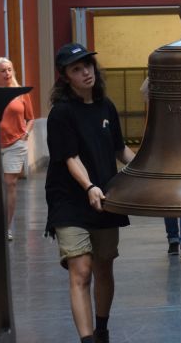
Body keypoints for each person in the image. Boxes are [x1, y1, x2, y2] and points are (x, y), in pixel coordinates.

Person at [45, 43, 135, 343]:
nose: (86, 72)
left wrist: (151, 172)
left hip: (105, 199)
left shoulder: (106, 106)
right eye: (77, 69)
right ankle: (87, 340)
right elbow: (71, 157)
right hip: (70, 200)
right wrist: (90, 186)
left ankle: (102, 329)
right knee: (81, 270)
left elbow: (120, 149)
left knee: (104, 266)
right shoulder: (62, 113)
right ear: (66, 77)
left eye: (88, 65)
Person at [139, 77, 181, 259]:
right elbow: (144, 91)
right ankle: (174, 239)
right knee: (169, 196)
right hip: (165, 149)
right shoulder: (159, 99)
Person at [0, 57, 34, 241]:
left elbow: (30, 118)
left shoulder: (21, 94)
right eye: (3, 70)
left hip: (15, 144)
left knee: (10, 183)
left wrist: (26, 134)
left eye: (10, 69)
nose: (7, 73)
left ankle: (6, 227)